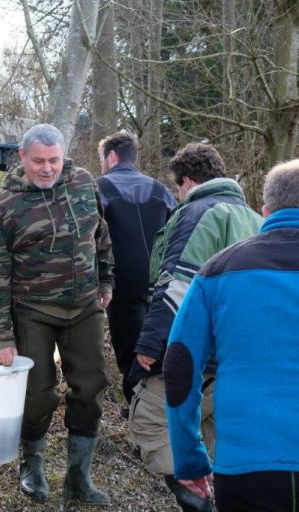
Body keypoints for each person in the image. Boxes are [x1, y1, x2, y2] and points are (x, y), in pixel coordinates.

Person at [0, 123, 115, 505]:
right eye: (38, 161)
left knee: (90, 387)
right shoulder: (3, 206)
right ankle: (33, 465)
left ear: (64, 155)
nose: (47, 168)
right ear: (22, 157)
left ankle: (78, 477)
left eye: (54, 160)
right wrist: (3, 336)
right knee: (38, 394)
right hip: (32, 310)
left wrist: (106, 281)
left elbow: (101, 237)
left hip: (85, 306)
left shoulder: (85, 184)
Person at [127, 142, 262, 511]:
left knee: (151, 421)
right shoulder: (256, 220)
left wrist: (151, 344)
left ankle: (196, 498)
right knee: (218, 434)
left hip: (198, 351)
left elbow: (177, 284)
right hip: (239, 357)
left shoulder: (198, 213)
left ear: (185, 181)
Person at [164, 159, 299, 511]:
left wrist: (189, 458)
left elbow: (179, 368)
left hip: (247, 467)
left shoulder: (217, 270)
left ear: (265, 211)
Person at [96, 131, 175, 414]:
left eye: (102, 159)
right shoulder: (162, 191)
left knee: (129, 351)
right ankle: (156, 408)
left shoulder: (98, 188)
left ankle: (139, 412)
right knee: (156, 346)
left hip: (120, 282)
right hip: (162, 285)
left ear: (112, 156)